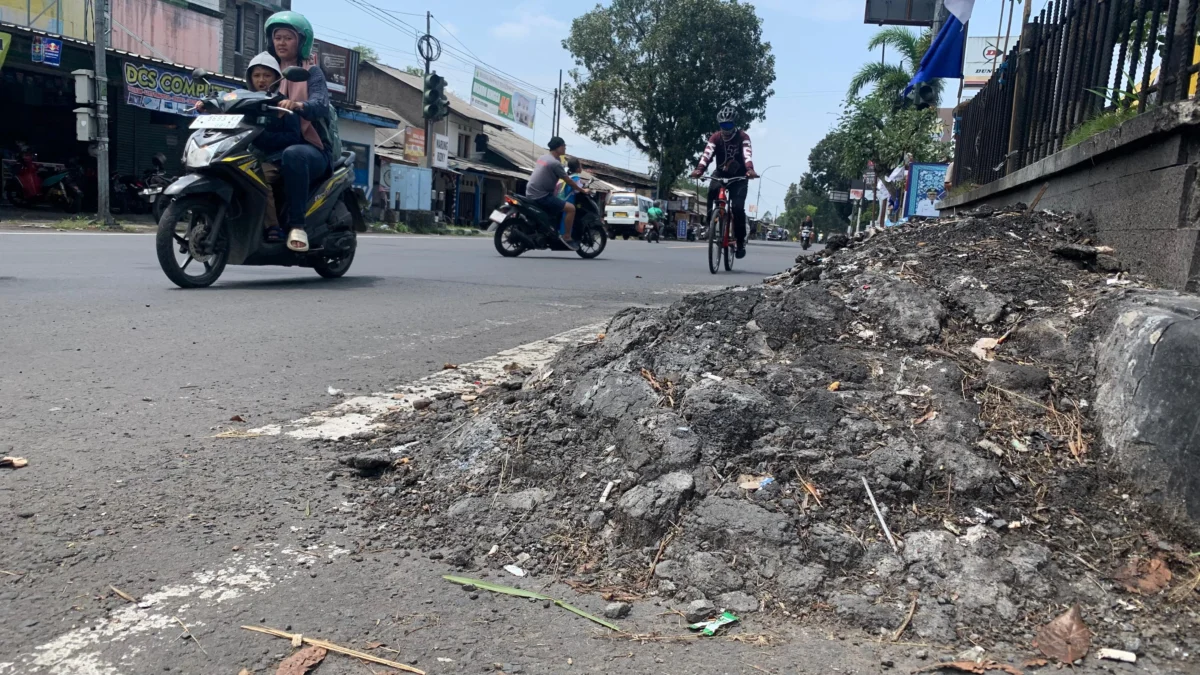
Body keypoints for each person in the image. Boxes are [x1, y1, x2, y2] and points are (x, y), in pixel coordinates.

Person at [264, 10, 336, 252]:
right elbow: (243, 95)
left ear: (302, 42)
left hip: (312, 148)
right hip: (274, 144)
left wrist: (298, 105)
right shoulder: (267, 70)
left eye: (288, 37)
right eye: (277, 37)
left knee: (294, 154)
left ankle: (297, 226)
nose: (281, 43)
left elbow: (321, 104)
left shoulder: (311, 72)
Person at [245, 52, 304, 242]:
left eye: (266, 75)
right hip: (245, 157)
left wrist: (264, 137)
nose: (261, 80)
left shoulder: (283, 104)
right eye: (256, 75)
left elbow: (293, 137)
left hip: (276, 160)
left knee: (258, 179)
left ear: (276, 79)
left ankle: (273, 227)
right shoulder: (244, 102)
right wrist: (205, 105)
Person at [691, 103, 757, 259]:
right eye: (723, 125)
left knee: (737, 208)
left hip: (740, 177)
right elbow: (707, 155)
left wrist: (749, 169)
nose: (726, 128)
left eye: (729, 124)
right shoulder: (715, 137)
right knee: (711, 193)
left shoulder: (743, 137)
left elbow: (747, 154)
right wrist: (699, 169)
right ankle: (710, 225)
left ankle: (740, 241)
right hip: (720, 174)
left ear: (734, 124)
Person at [526, 137, 587, 250]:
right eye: (564, 146)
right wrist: (583, 190)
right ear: (558, 147)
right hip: (542, 195)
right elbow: (568, 180)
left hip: (531, 191)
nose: (565, 148)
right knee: (571, 209)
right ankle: (567, 236)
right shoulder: (554, 163)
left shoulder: (543, 157)